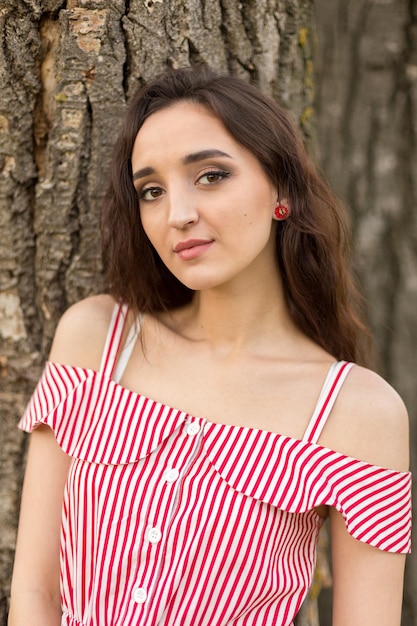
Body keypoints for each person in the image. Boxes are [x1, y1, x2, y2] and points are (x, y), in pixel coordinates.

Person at [9, 66, 411, 626]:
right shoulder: (95, 342)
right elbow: (34, 595)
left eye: (211, 176)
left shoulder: (358, 413)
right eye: (152, 191)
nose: (178, 215)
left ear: (282, 190)